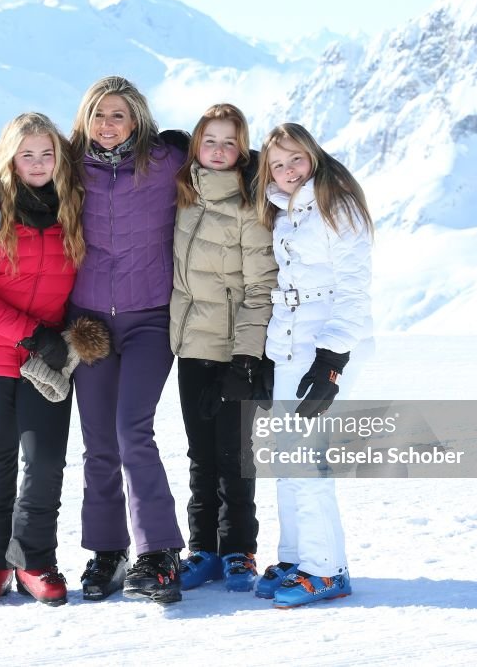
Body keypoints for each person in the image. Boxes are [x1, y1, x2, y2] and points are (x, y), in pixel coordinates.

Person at [0, 112, 85, 607]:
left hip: (45, 360)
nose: (39, 163)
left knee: (45, 460)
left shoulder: (72, 206)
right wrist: (33, 334)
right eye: (27, 153)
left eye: (47, 153)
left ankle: (34, 560)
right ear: (9, 157)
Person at [67, 76, 188, 604]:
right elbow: (18, 168)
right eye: (99, 115)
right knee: (98, 442)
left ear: (137, 118)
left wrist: (195, 139)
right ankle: (107, 552)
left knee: (131, 430)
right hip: (89, 322)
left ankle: (159, 552)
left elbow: (231, 158)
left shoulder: (166, 161)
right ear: (85, 120)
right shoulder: (70, 166)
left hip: (149, 319)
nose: (109, 125)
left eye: (119, 115)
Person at [252, 123, 373, 609]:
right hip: (290, 344)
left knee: (305, 457)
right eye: (277, 164)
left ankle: (327, 569)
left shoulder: (336, 207)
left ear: (314, 157)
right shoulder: (285, 214)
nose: (287, 171)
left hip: (325, 343)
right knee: (285, 457)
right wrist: (271, 353)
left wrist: (332, 360)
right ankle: (296, 557)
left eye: (295, 159)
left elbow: (352, 289)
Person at [169, 104, 277, 593]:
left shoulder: (250, 208)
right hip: (192, 346)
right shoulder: (182, 194)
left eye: (228, 142)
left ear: (242, 150)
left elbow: (261, 290)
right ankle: (203, 550)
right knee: (200, 455)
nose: (218, 151)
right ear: (195, 146)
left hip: (235, 351)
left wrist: (246, 359)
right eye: (209, 141)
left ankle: (238, 551)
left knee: (236, 456)